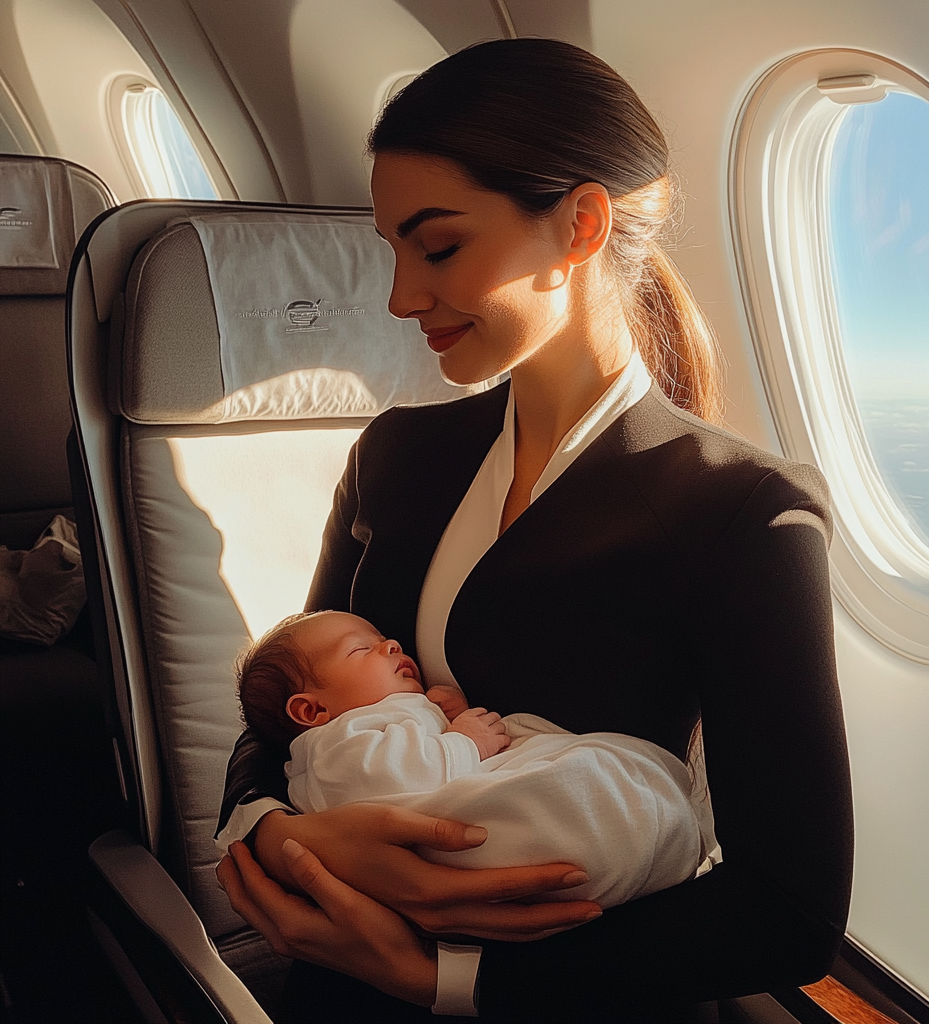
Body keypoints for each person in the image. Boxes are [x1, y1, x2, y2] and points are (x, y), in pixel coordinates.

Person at [215, 37, 853, 1022]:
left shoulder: (744, 509)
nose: (399, 297)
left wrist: (446, 981)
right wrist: (276, 836)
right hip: (341, 977)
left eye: (437, 246)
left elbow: (788, 910)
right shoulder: (394, 455)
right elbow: (281, 707)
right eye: (392, 249)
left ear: (580, 226)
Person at [232, 609, 709, 910]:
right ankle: (639, 824)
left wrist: (448, 721)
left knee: (579, 762)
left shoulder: (373, 722)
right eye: (363, 648)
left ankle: (649, 815)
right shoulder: (334, 745)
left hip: (468, 798)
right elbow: (393, 777)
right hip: (449, 844)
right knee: (576, 788)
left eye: (383, 637)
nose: (391, 644)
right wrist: (464, 741)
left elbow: (415, 758)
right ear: (311, 710)